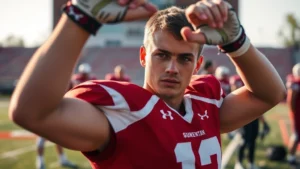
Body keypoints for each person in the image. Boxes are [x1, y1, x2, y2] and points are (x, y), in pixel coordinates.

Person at [9, 0, 286, 169]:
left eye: (184, 58)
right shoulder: (121, 115)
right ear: (144, 56)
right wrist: (79, 18)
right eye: (162, 55)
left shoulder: (206, 105)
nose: (172, 68)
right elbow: (31, 112)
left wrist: (237, 42)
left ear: (197, 65)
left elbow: (270, 94)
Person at [230, 75, 270, 169]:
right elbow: (234, 95)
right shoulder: (237, 80)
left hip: (254, 115)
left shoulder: (252, 80)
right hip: (244, 116)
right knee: (244, 140)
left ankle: (250, 162)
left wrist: (264, 122)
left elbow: (257, 104)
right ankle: (238, 163)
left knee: (252, 140)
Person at [287, 63, 300, 165]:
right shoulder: (295, 83)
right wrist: (293, 112)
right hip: (297, 114)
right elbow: (291, 100)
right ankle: (291, 157)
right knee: (296, 135)